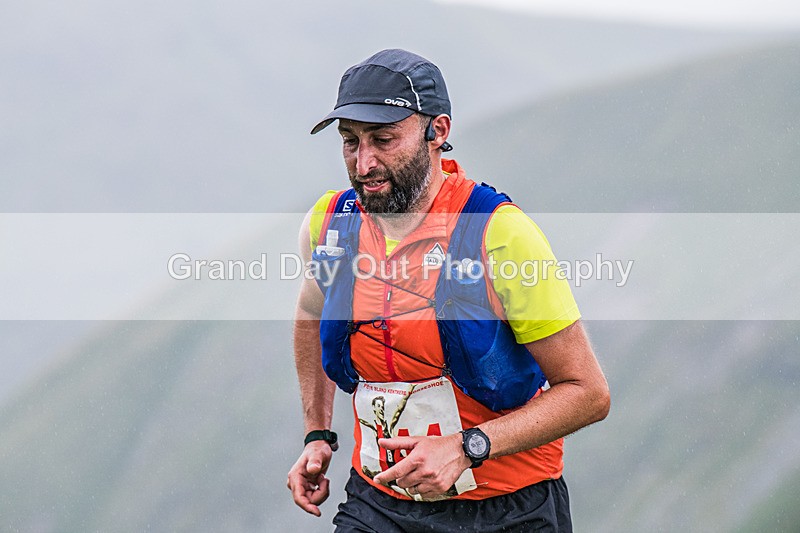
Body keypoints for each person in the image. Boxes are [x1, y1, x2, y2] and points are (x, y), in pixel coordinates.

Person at [287, 49, 610, 532]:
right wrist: (318, 433)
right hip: (379, 503)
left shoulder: (500, 234)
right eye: (350, 142)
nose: (364, 162)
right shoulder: (331, 223)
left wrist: (466, 447)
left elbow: (588, 393)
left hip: (509, 508)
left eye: (384, 139)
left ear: (438, 132)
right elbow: (310, 314)